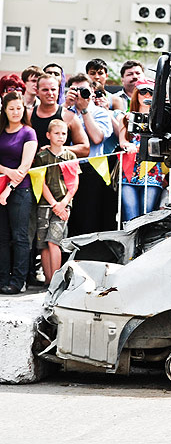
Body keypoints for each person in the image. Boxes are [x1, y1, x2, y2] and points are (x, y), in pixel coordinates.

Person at [64, 74, 113, 236]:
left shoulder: (100, 113)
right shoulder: (64, 112)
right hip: (67, 169)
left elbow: (97, 138)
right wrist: (66, 105)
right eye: (75, 90)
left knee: (88, 216)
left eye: (83, 89)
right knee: (67, 217)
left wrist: (84, 110)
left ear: (92, 90)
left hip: (91, 169)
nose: (79, 93)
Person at [33, 119, 79, 284]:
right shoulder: (42, 157)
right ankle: (48, 280)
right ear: (48, 135)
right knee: (43, 244)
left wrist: (63, 203)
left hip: (63, 205)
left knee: (54, 242)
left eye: (64, 133)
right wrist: (53, 203)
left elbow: (74, 183)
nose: (60, 136)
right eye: (57, 133)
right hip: (45, 204)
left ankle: (57, 281)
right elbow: (40, 181)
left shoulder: (70, 156)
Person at [0, 92, 37, 295]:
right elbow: (11, 170)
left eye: (19, 108)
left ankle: (18, 281)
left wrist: (8, 190)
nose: (15, 112)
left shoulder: (28, 133)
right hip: (1, 187)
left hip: (20, 190)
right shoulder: (1, 131)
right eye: (11, 108)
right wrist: (6, 171)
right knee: (2, 237)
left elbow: (24, 167)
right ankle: (3, 279)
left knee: (20, 236)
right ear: (5, 110)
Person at [119, 80, 166, 221]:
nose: (146, 95)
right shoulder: (126, 118)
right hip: (129, 172)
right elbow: (122, 141)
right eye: (143, 91)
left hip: (152, 172)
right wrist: (129, 146)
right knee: (131, 216)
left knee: (146, 216)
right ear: (136, 94)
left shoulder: (160, 121)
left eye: (151, 92)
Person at [28, 73, 89, 157]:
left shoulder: (69, 117)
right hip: (33, 164)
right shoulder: (28, 115)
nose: (50, 93)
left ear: (58, 91)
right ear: (37, 92)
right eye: (45, 90)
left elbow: (85, 149)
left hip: (61, 164)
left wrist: (57, 149)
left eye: (53, 89)